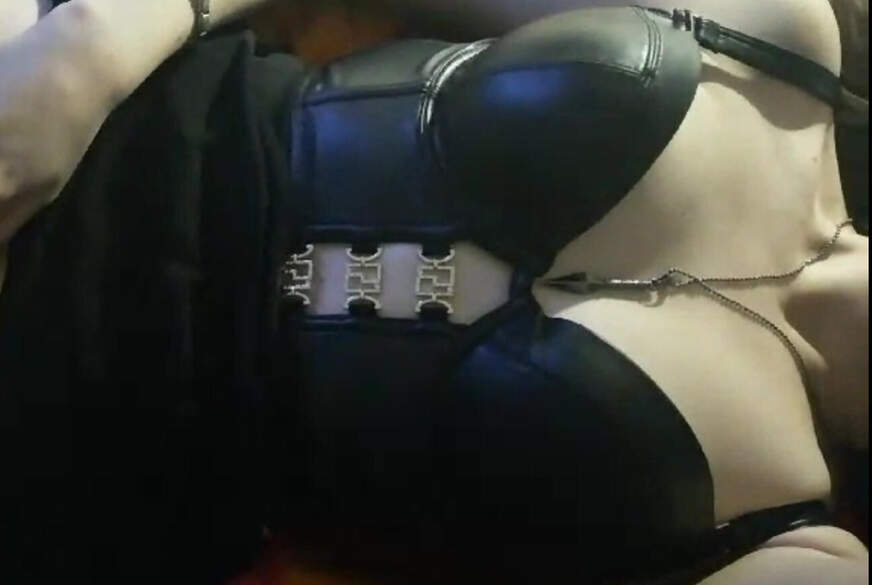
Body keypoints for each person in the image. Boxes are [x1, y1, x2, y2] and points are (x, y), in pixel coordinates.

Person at [0, 1, 867, 584]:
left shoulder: (805, 548)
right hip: (108, 119)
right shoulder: (777, 38)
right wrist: (94, 41)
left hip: (83, 460)